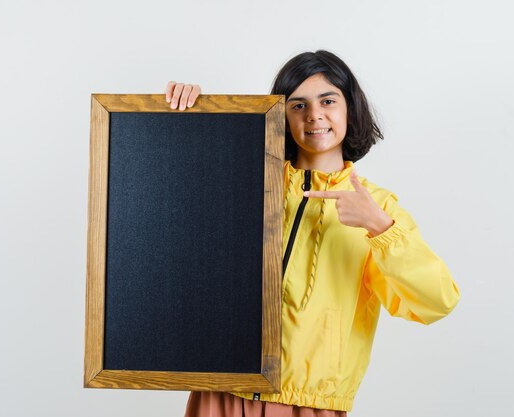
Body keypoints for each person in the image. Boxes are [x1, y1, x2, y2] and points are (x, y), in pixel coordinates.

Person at [165, 50, 460, 417]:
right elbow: (170, 209)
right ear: (280, 115)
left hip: (308, 405)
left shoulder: (378, 208)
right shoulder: (242, 181)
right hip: (220, 392)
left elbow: (437, 301)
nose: (314, 114)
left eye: (328, 100)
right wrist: (187, 113)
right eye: (297, 105)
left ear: (350, 108)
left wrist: (380, 228)